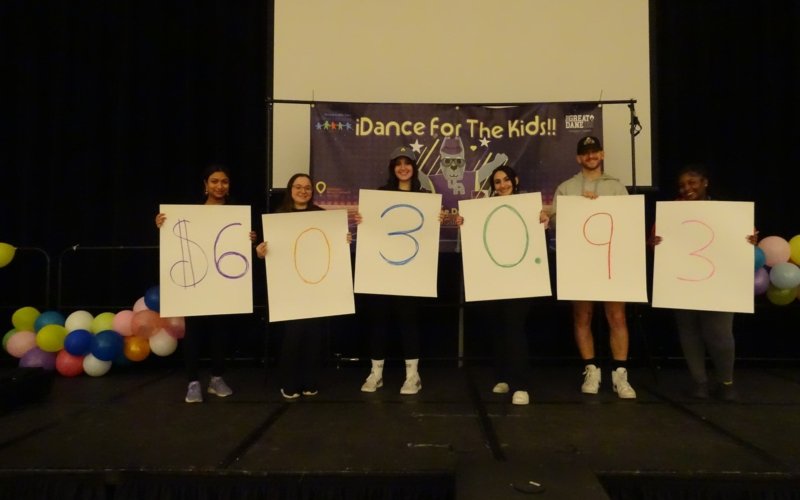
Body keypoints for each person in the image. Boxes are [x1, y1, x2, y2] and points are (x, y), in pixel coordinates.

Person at [650, 164, 755, 401]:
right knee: (689, 332)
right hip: (682, 282)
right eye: (682, 185)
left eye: (692, 182)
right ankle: (700, 383)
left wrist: (749, 239)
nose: (686, 188)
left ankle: (726, 382)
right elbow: (655, 244)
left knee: (720, 333)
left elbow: (745, 237)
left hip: (719, 283)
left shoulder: (725, 211)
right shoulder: (671, 212)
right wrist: (655, 243)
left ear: (705, 182)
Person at [155, 164, 256, 403]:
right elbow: (176, 240)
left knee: (220, 332)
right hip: (195, 285)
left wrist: (250, 239)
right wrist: (161, 225)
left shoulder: (236, 215)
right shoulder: (191, 213)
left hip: (222, 285)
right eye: (214, 181)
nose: (219, 186)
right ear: (205, 185)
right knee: (193, 332)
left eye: (224, 182)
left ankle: (216, 378)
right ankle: (193, 383)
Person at [455, 165, 549, 405]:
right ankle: (503, 376)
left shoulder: (529, 208)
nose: (503, 185)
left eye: (506, 179)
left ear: (515, 180)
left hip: (521, 279)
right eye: (497, 182)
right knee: (498, 327)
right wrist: (465, 223)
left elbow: (540, 242)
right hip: (493, 280)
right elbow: (476, 239)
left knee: (514, 328)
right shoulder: (483, 210)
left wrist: (543, 224)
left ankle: (521, 385)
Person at [551, 136, 636, 399]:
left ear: (602, 154)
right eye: (585, 153)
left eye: (594, 151)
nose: (590, 156)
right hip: (580, 261)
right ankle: (591, 369)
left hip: (611, 261)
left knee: (617, 317)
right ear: (579, 158)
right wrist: (577, 207)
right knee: (582, 316)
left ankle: (620, 374)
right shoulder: (566, 188)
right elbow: (554, 225)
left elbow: (629, 223)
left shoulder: (616, 187)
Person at [255, 173, 343, 401]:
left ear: (312, 191)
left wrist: (344, 240)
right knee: (293, 335)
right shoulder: (278, 217)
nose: (303, 191)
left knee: (314, 335)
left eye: (307, 187)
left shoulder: (322, 216)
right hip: (289, 289)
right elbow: (269, 252)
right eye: (298, 187)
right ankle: (289, 382)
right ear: (290, 189)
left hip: (316, 286)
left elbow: (333, 245)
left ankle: (309, 381)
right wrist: (261, 253)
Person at [356, 145, 436, 395]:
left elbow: (428, 231)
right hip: (382, 271)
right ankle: (376, 374)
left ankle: (412, 376)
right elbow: (372, 226)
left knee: (409, 322)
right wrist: (362, 220)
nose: (403, 168)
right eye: (398, 164)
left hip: (411, 272)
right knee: (378, 321)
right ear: (392, 169)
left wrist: (437, 219)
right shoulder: (381, 195)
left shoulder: (425, 197)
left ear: (414, 167)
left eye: (407, 163)